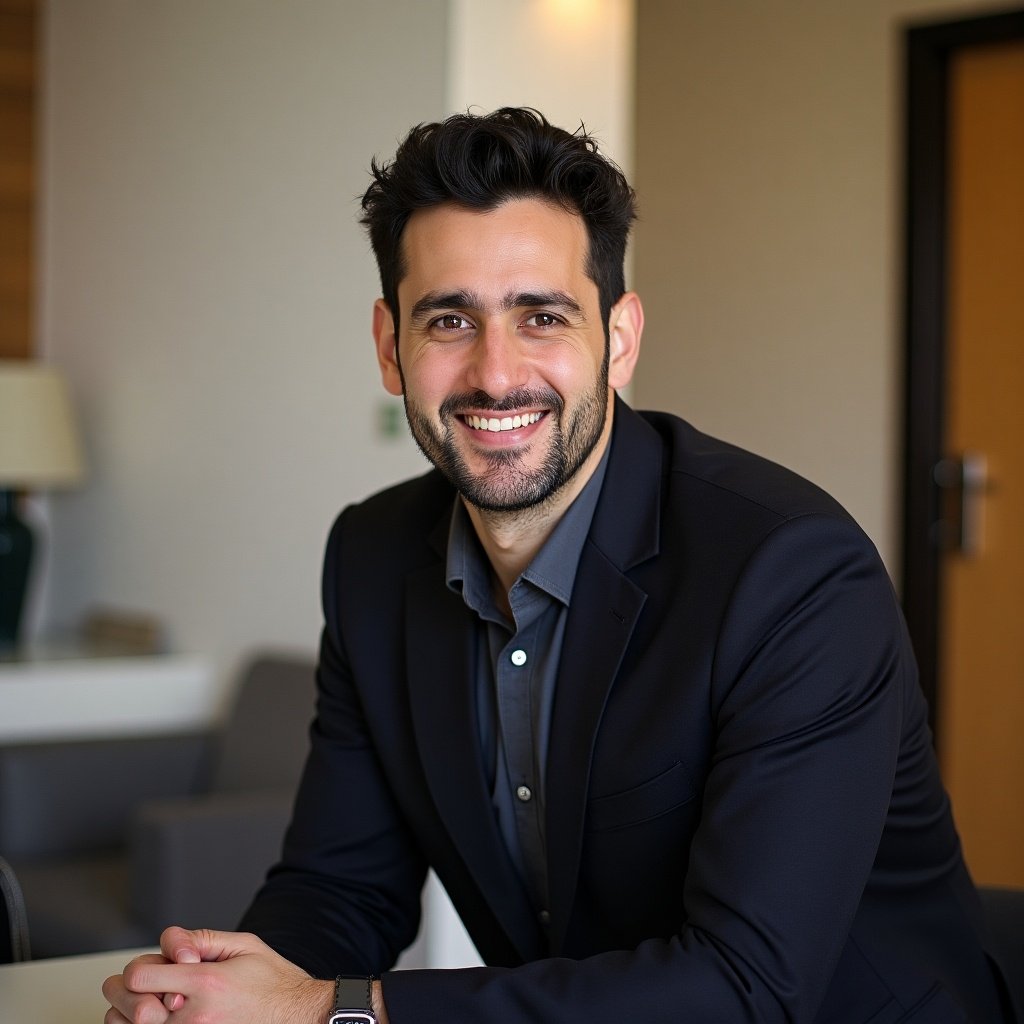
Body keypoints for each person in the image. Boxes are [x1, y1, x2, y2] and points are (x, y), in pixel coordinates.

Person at [103, 107, 1006, 1024]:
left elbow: (748, 989)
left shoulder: (794, 574)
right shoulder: (371, 560)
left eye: (543, 316)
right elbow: (341, 889)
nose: (497, 375)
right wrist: (217, 995)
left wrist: (333, 1013)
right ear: (390, 346)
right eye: (450, 319)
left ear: (619, 339)